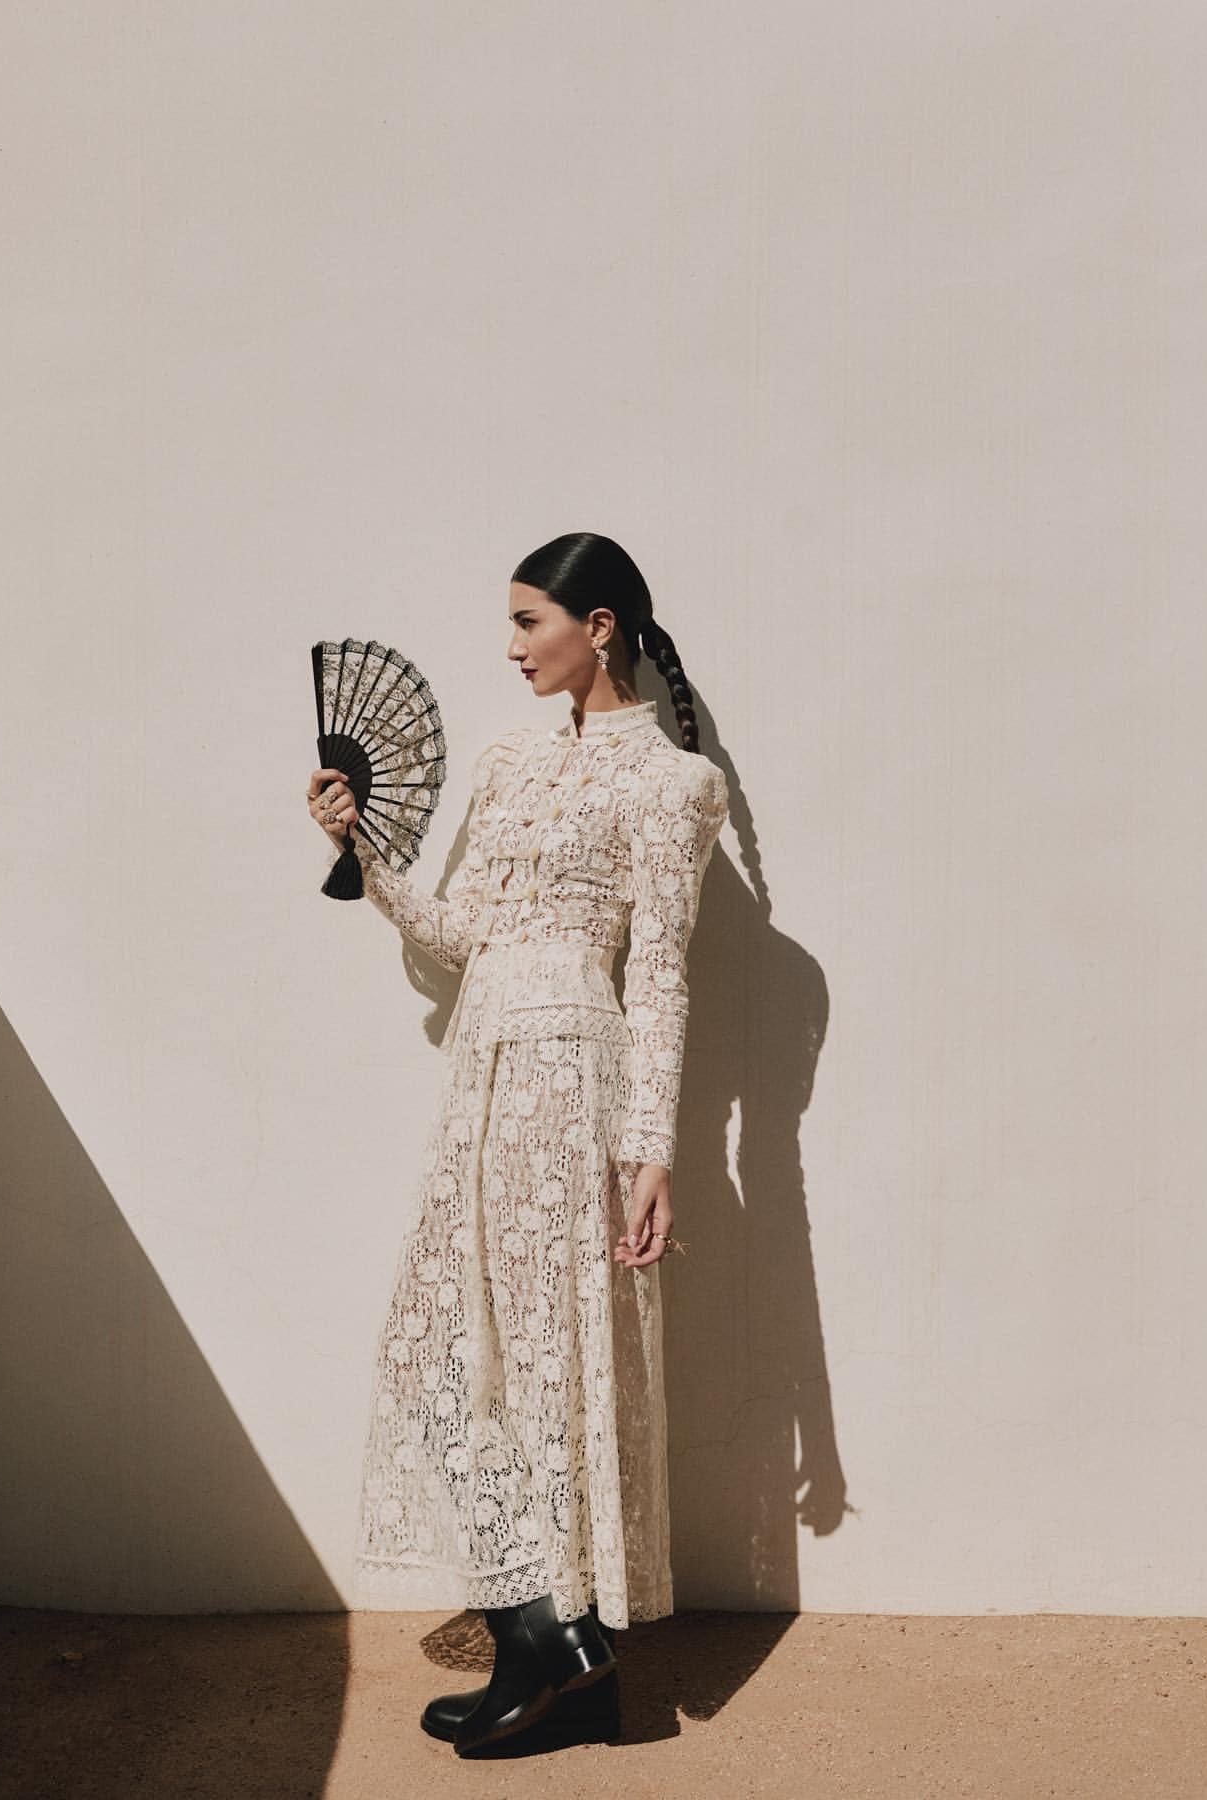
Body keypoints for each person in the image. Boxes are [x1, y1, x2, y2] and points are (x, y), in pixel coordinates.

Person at [307, 531, 728, 1758]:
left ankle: (551, 1662)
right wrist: (359, 851)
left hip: (572, 1078)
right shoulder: (507, 759)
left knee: (542, 1367)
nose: (510, 648)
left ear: (599, 628)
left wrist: (650, 1152)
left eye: (528, 621)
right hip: (480, 1074)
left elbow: (659, 977)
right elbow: (459, 937)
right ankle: (562, 1647)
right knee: (443, 1355)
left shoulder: (676, 787)